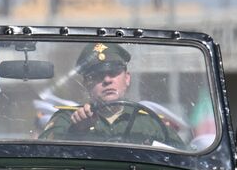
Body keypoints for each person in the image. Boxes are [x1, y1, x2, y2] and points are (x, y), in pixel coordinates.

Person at [38, 43, 182, 146]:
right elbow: (44, 156)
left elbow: (182, 162)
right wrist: (76, 132)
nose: (107, 80)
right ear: (87, 83)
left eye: (113, 73)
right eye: (98, 75)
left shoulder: (151, 122)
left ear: (127, 78)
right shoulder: (65, 119)